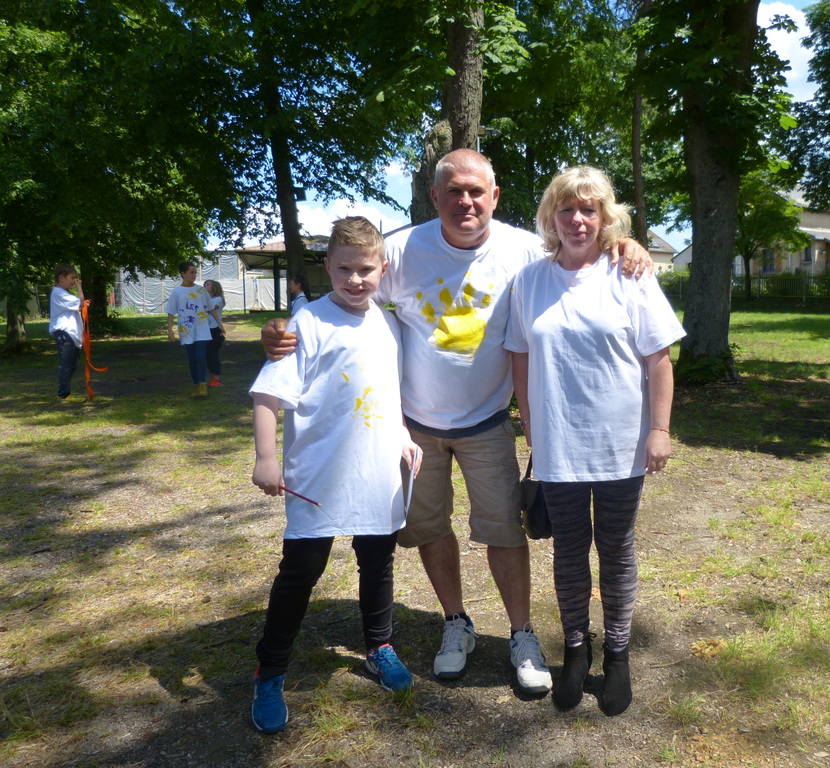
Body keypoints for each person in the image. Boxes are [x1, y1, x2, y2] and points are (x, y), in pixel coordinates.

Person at [261, 149, 652, 696]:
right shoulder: (401, 250)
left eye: (476, 191)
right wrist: (286, 326)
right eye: (453, 191)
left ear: (494, 196)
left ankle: (521, 634)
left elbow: (579, 249)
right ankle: (455, 622)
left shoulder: (523, 249)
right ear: (435, 197)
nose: (465, 202)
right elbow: (348, 283)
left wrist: (624, 245)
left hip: (488, 421)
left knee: (504, 531)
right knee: (429, 528)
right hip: (415, 426)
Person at [505, 166, 684, 716]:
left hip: (620, 444)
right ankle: (576, 651)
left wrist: (659, 430)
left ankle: (619, 655)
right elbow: (520, 356)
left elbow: (659, 359)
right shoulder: (529, 280)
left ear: (605, 217)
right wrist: (530, 423)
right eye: (567, 209)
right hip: (558, 443)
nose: (578, 219)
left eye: (589, 209)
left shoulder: (630, 273)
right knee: (568, 550)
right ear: (551, 217)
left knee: (616, 548)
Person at [249, 216, 423, 735]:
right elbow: (267, 395)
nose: (355, 279)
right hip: (318, 477)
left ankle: (379, 646)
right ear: (327, 267)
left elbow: (388, 391)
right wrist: (265, 457)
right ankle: (270, 671)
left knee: (378, 561)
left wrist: (404, 434)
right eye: (344, 269)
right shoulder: (305, 323)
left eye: (365, 269)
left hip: (377, 472)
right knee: (302, 570)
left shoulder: (389, 325)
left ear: (382, 269)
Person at [165, 261, 212, 398]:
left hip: (201, 328)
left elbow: (211, 307)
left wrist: (220, 324)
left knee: (201, 356)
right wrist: (170, 330)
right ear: (183, 273)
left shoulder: (201, 290)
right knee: (192, 359)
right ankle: (196, 385)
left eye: (195, 272)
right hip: (186, 330)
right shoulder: (177, 292)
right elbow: (170, 312)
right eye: (191, 272)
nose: (194, 275)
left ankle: (203, 385)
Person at [49, 264, 90, 403]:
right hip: (64, 332)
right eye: (72, 278)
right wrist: (79, 288)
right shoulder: (58, 293)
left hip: (70, 334)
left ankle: (65, 392)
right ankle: (64, 394)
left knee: (72, 365)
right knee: (66, 364)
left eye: (76, 278)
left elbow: (79, 305)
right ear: (62, 278)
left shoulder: (64, 294)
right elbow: (80, 303)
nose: (75, 281)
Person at [203, 279, 226, 387]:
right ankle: (213, 377)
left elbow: (209, 308)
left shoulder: (218, 299)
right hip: (206, 329)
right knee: (207, 355)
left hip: (215, 329)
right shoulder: (205, 299)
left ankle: (217, 378)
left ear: (214, 287)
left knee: (212, 353)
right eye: (204, 284)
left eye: (207, 285)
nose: (205, 286)